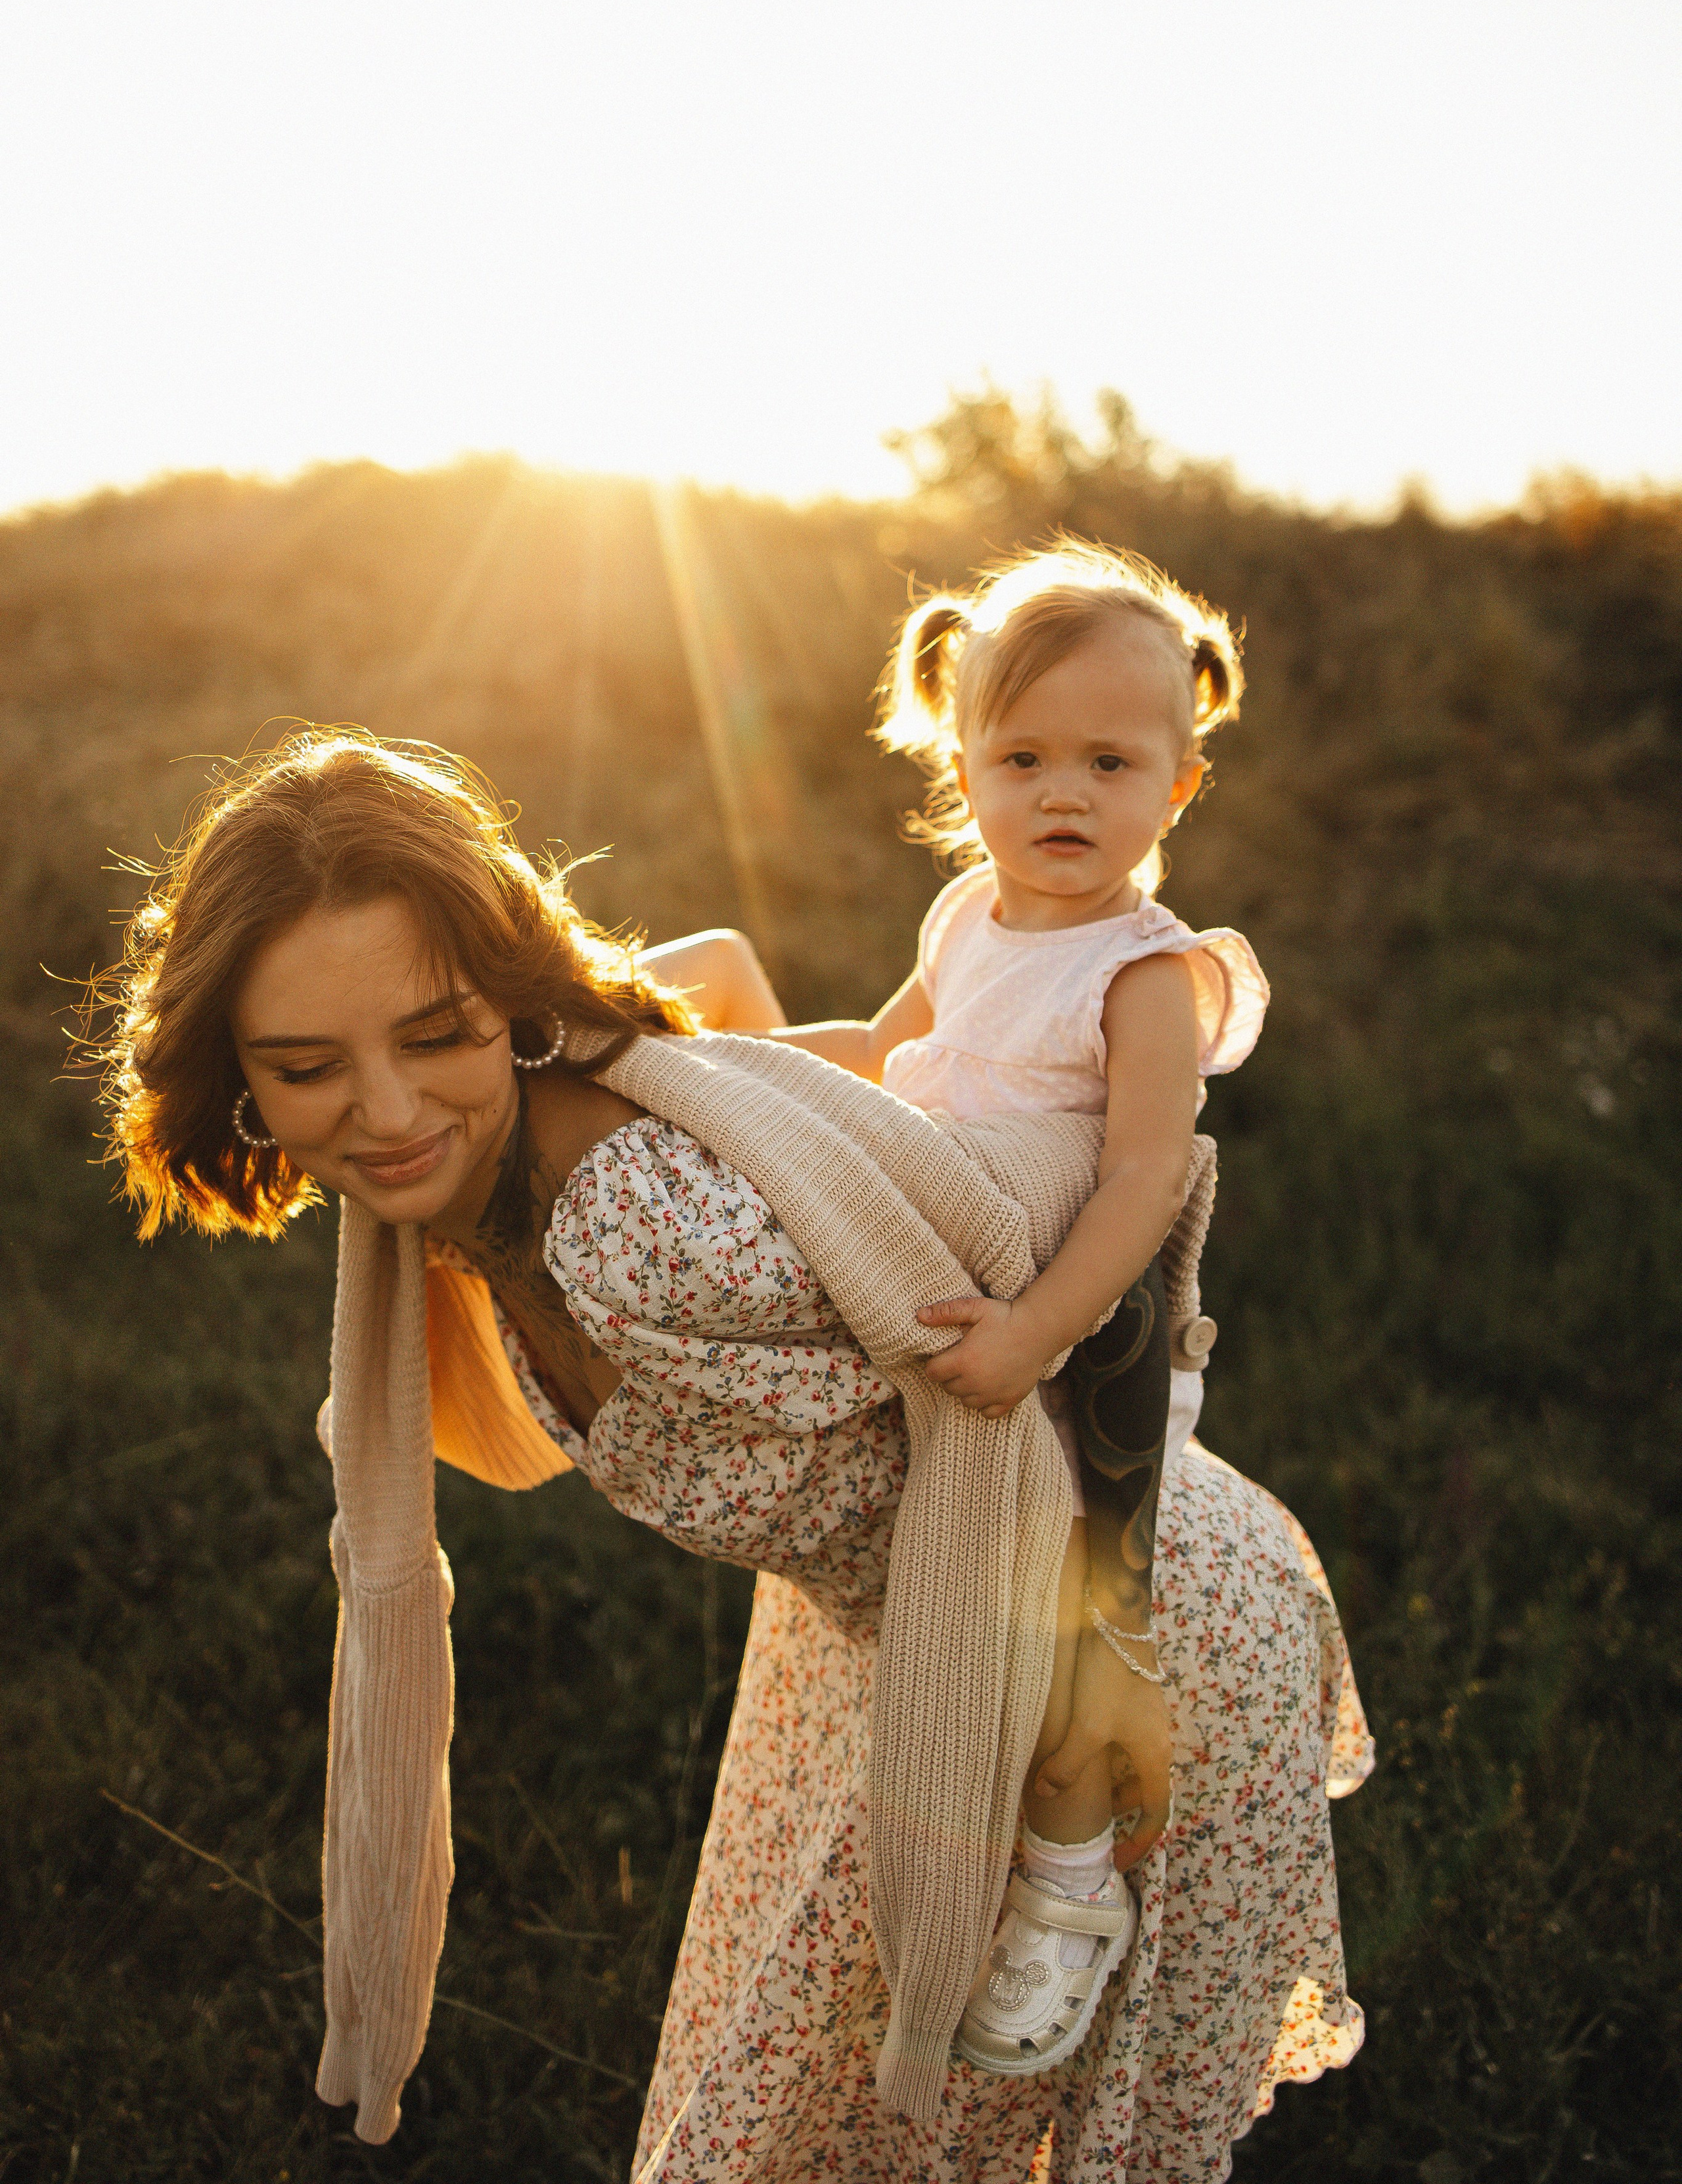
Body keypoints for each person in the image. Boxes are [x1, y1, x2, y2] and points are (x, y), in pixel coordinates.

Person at [97, 729, 1372, 2181]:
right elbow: (728, 1014)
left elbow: (1060, 1302)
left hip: (1090, 1630)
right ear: (235, 1076)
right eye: (309, 1066)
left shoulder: (646, 1231)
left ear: (513, 1005)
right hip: (881, 1638)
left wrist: (1099, 1700)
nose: (386, 1116)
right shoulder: (479, 1171)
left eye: (435, 1035)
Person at [712, 536, 1273, 2075]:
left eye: (1108, 759)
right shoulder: (966, 915)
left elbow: (1146, 1181)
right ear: (960, 767)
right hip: (952, 1269)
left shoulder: (1147, 976)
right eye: (1020, 757)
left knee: (1085, 1610)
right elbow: (884, 1048)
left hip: (1089, 1330)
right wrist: (723, 1069)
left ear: (1177, 781)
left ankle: (1071, 1884)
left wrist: (1035, 1337)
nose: (1063, 794)